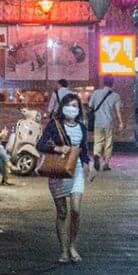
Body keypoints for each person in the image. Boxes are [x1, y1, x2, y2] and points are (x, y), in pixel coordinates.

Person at [37, 94, 92, 263]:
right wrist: (58, 148)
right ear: (62, 107)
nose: (71, 108)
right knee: (62, 212)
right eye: (68, 105)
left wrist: (87, 164)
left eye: (75, 105)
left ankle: (73, 246)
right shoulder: (54, 125)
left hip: (75, 171)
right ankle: (63, 251)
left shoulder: (81, 127)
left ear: (79, 109)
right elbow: (40, 144)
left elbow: (83, 149)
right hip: (58, 171)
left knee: (75, 210)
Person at [89, 76, 123, 172]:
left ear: (103, 82)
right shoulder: (116, 96)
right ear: (113, 83)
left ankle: (96, 154)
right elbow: (118, 111)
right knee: (108, 142)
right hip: (109, 122)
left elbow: (90, 105)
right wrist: (121, 123)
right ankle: (106, 164)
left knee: (98, 141)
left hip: (98, 122)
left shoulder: (96, 93)